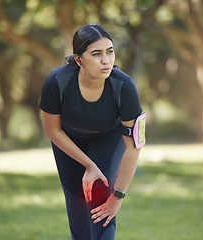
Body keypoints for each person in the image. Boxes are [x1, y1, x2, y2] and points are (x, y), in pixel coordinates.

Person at [40, 24, 145, 240]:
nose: (106, 60)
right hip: (67, 141)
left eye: (110, 51)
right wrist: (88, 164)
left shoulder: (124, 87)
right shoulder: (57, 81)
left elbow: (133, 147)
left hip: (109, 137)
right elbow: (52, 130)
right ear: (79, 60)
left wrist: (117, 197)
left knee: (100, 204)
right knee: (78, 207)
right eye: (96, 54)